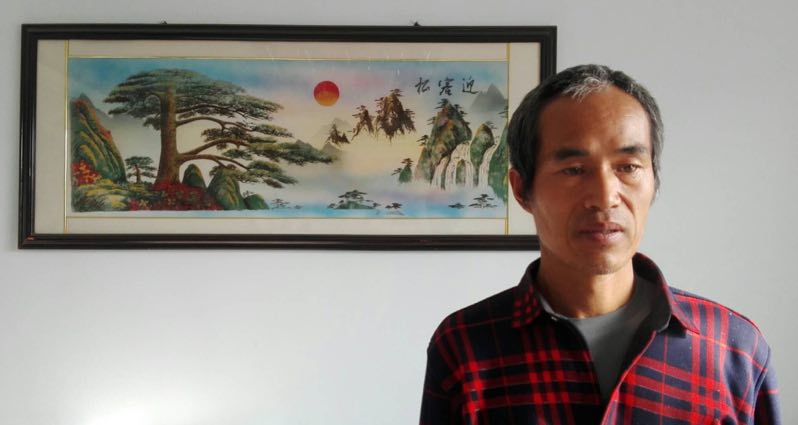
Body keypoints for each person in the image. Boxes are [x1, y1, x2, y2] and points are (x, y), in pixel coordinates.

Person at [419, 64, 781, 424]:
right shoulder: (464, 347)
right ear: (521, 190)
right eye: (574, 170)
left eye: (628, 167)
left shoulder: (736, 351)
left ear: (654, 181)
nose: (606, 197)